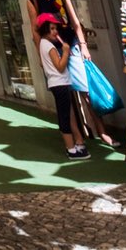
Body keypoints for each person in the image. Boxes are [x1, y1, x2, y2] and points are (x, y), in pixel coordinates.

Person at [26, 0, 114, 147]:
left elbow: (75, 21)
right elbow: (35, 31)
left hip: (70, 42)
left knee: (85, 89)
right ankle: (77, 137)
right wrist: (40, 54)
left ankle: (101, 130)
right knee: (64, 95)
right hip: (51, 49)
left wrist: (82, 44)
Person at [35, 12, 88, 158]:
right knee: (65, 116)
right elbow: (60, 66)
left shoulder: (44, 44)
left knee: (66, 113)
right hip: (60, 83)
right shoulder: (49, 47)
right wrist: (65, 53)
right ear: (45, 29)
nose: (55, 31)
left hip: (58, 83)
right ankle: (71, 148)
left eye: (55, 28)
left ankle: (76, 144)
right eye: (51, 28)